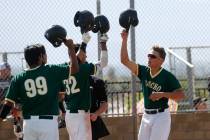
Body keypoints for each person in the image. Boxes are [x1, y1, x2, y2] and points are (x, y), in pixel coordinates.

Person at [0, 38, 79, 140]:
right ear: (41, 57)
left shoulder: (18, 77)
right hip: (48, 124)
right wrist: (71, 48)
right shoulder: (51, 70)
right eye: (45, 54)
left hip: (28, 125)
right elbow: (75, 68)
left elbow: (8, 104)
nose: (46, 56)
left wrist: (1, 119)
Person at [120, 30, 185, 140]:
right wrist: (124, 40)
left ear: (161, 61)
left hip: (161, 116)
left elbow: (181, 95)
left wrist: (163, 94)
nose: (149, 58)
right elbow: (124, 60)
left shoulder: (167, 76)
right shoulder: (143, 71)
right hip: (146, 115)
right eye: (149, 55)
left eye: (153, 56)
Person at [63, 33, 108, 140]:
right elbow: (104, 62)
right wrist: (103, 43)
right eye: (84, 53)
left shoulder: (63, 68)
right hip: (80, 115)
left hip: (70, 115)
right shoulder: (82, 69)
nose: (86, 55)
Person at [0, 62, 23, 140]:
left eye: (6, 70)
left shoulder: (14, 79)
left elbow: (19, 97)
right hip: (2, 106)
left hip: (12, 106)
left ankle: (19, 133)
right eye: (2, 70)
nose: (4, 72)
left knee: (17, 108)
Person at [89, 76, 110, 140]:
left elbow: (104, 104)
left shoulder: (97, 82)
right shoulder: (70, 80)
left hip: (91, 119)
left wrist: (96, 114)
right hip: (76, 119)